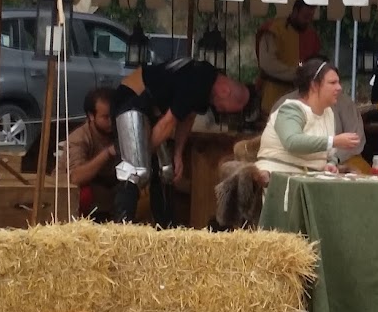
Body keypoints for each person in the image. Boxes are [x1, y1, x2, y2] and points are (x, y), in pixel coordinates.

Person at [112, 58, 250, 227]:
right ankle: (121, 227)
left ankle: (166, 228)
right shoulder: (197, 80)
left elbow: (187, 117)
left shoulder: (207, 80)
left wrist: (177, 154)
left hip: (153, 110)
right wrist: (143, 154)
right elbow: (168, 122)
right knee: (135, 169)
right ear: (225, 91)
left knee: (166, 170)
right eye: (225, 108)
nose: (220, 111)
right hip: (132, 97)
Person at [255, 58, 361, 176]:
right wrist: (334, 141)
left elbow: (328, 153)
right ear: (314, 85)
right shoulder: (291, 109)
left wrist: (330, 163)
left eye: (338, 82)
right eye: (332, 83)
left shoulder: (328, 113)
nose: (339, 87)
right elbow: (292, 142)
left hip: (310, 178)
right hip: (276, 175)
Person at [255, 0, 322, 116]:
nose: (308, 20)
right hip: (273, 95)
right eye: (305, 16)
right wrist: (297, 74)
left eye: (310, 17)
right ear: (295, 11)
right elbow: (267, 63)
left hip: (299, 99)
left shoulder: (311, 35)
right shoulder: (275, 29)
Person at [67, 88, 121, 221]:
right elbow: (76, 178)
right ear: (91, 116)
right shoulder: (79, 138)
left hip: (108, 191)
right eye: (105, 117)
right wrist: (107, 153)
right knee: (84, 194)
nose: (111, 121)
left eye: (113, 116)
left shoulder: (118, 131)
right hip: (79, 196)